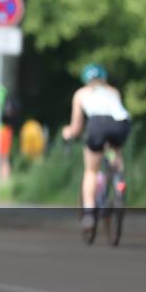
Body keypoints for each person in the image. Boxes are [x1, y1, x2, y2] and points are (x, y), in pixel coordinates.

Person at [61, 63, 131, 232]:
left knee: (91, 170)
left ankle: (89, 214)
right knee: (115, 151)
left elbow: (76, 127)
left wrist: (68, 133)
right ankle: (119, 181)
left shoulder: (81, 94)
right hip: (122, 124)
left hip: (98, 124)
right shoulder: (113, 91)